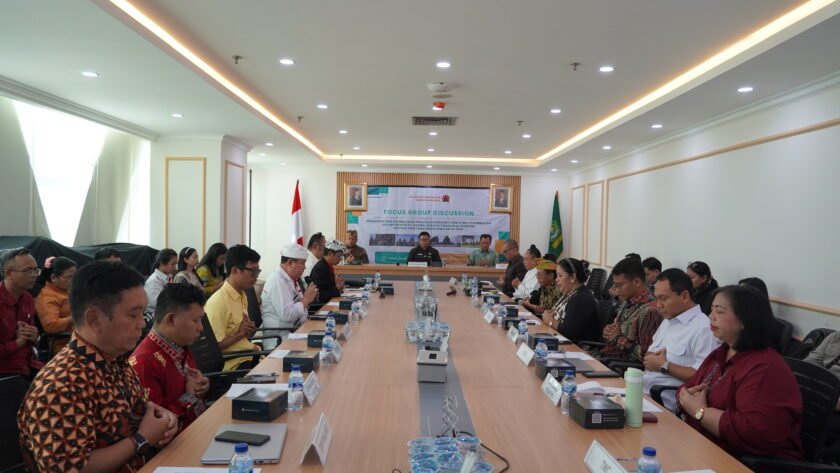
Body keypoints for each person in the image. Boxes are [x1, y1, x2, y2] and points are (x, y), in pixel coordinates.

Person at [18, 261, 178, 473]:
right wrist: (142, 439)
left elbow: (135, 412)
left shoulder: (115, 360)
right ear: (94, 319)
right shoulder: (60, 384)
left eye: (142, 313)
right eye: (133, 314)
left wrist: (162, 417)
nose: (142, 323)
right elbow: (69, 469)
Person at [677, 286, 803, 462]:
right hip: (702, 445)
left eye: (720, 311)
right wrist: (688, 399)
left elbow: (755, 433)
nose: (711, 316)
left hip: (742, 461)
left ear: (745, 320)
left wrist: (699, 411)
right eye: (711, 309)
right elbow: (686, 390)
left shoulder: (764, 368)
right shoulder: (722, 352)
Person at [130, 283, 209, 433]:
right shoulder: (144, 362)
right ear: (171, 319)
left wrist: (201, 388)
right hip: (181, 442)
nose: (201, 327)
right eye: (195, 320)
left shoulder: (181, 345)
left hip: (200, 427)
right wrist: (189, 397)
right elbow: (157, 427)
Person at [643, 269, 719, 412]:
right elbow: (650, 356)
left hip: (663, 404)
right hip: (642, 392)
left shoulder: (703, 328)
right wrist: (651, 359)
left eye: (663, 298)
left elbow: (704, 377)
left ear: (684, 296)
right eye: (657, 298)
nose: (658, 305)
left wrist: (664, 365)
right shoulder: (668, 320)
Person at [204, 245, 262, 371]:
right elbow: (214, 347)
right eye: (253, 272)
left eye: (257, 271)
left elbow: (242, 335)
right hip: (234, 365)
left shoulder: (242, 295)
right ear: (235, 270)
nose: (256, 277)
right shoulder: (218, 302)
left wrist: (248, 330)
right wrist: (241, 334)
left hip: (249, 355)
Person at [599, 257, 661, 363]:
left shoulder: (650, 311)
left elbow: (646, 355)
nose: (617, 290)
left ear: (636, 282)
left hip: (623, 368)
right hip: (608, 358)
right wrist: (609, 332)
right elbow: (616, 331)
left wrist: (618, 338)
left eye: (619, 285)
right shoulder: (627, 301)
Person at [261, 244, 319, 349]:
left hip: (296, 331)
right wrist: (306, 300)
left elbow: (300, 307)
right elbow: (288, 315)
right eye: (302, 263)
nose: (305, 267)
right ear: (290, 262)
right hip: (280, 339)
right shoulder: (277, 281)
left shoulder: (291, 279)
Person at [0, 248, 42, 380]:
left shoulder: (27, 298)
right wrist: (17, 343)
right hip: (5, 372)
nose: (34, 275)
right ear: (9, 273)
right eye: (28, 270)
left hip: (29, 366)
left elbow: (32, 339)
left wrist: (35, 337)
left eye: (36, 270)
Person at [543, 258, 600, 342]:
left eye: (560, 276)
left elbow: (569, 332)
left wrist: (550, 321)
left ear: (573, 277)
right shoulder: (570, 293)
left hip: (577, 346)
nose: (556, 279)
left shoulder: (581, 298)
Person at [34, 256, 77, 354]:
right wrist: (76, 317)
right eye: (70, 277)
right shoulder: (47, 297)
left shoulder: (67, 291)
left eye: (75, 276)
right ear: (53, 278)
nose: (74, 280)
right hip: (65, 346)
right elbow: (51, 326)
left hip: (78, 340)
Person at [144, 248, 177, 314]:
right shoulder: (153, 281)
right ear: (162, 263)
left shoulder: (169, 276)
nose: (175, 267)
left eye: (176, 264)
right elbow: (156, 303)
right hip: (155, 314)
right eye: (172, 264)